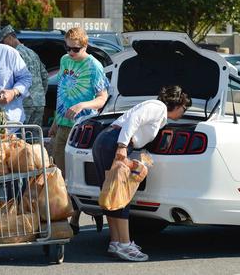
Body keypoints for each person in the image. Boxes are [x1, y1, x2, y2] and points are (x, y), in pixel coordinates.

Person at [92, 85, 191, 262]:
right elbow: (135, 120)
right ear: (177, 105)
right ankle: (124, 244)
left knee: (111, 194)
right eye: (184, 109)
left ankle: (115, 241)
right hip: (114, 143)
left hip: (106, 141)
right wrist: (122, 146)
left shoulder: (158, 112)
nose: (183, 114)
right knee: (121, 195)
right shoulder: (157, 107)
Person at [48, 26, 110, 234]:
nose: (71, 53)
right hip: (63, 125)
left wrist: (83, 105)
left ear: (85, 46)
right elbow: (62, 93)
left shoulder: (94, 66)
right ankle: (63, 216)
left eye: (75, 49)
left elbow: (103, 98)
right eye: (67, 48)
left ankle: (74, 219)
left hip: (84, 129)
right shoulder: (65, 61)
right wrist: (56, 122)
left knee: (77, 176)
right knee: (59, 174)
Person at [0, 25, 48, 129]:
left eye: (3, 42)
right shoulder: (32, 52)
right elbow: (45, 76)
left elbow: (8, 78)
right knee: (35, 138)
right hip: (39, 103)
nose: (3, 45)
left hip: (24, 103)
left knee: (21, 139)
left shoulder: (14, 54)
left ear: (10, 38)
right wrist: (41, 95)